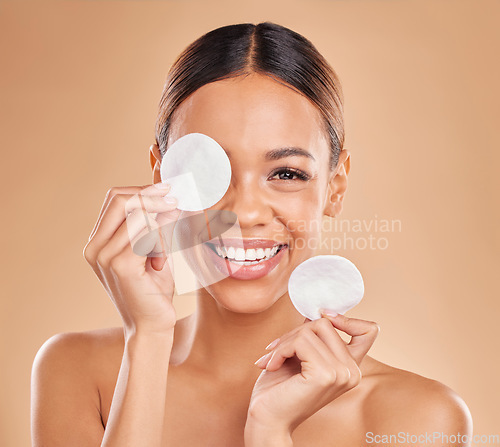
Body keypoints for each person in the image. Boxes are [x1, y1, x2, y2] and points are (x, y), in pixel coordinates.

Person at [31, 22, 472, 447]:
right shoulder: (76, 372)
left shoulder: (417, 418)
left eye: (286, 173)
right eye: (209, 171)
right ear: (161, 176)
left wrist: (269, 433)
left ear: (334, 189)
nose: (244, 211)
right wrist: (146, 339)